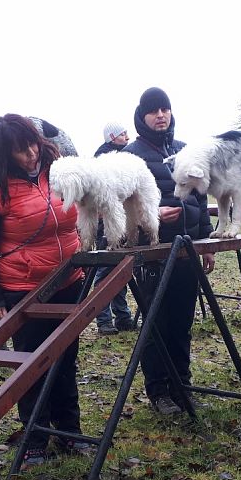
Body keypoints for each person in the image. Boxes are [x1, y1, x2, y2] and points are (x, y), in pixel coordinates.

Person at [0, 114, 85, 466]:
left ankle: (70, 432)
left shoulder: (60, 168)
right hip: (24, 288)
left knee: (66, 360)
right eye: (21, 150)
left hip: (69, 280)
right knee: (32, 366)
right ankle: (35, 439)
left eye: (33, 145)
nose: (31, 154)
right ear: (5, 153)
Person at [122, 87, 215, 415]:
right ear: (142, 116)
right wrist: (152, 216)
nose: (161, 115)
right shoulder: (130, 157)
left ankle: (182, 384)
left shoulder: (185, 150)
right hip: (153, 253)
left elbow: (201, 198)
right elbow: (119, 207)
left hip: (188, 250)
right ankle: (158, 391)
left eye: (165, 109)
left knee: (182, 322)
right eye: (153, 110)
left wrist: (206, 244)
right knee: (156, 324)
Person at [92, 121, 134, 336]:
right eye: (122, 133)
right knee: (106, 270)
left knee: (120, 270)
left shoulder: (124, 157)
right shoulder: (104, 160)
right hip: (107, 224)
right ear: (111, 136)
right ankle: (104, 319)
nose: (127, 136)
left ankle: (123, 316)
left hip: (121, 220)